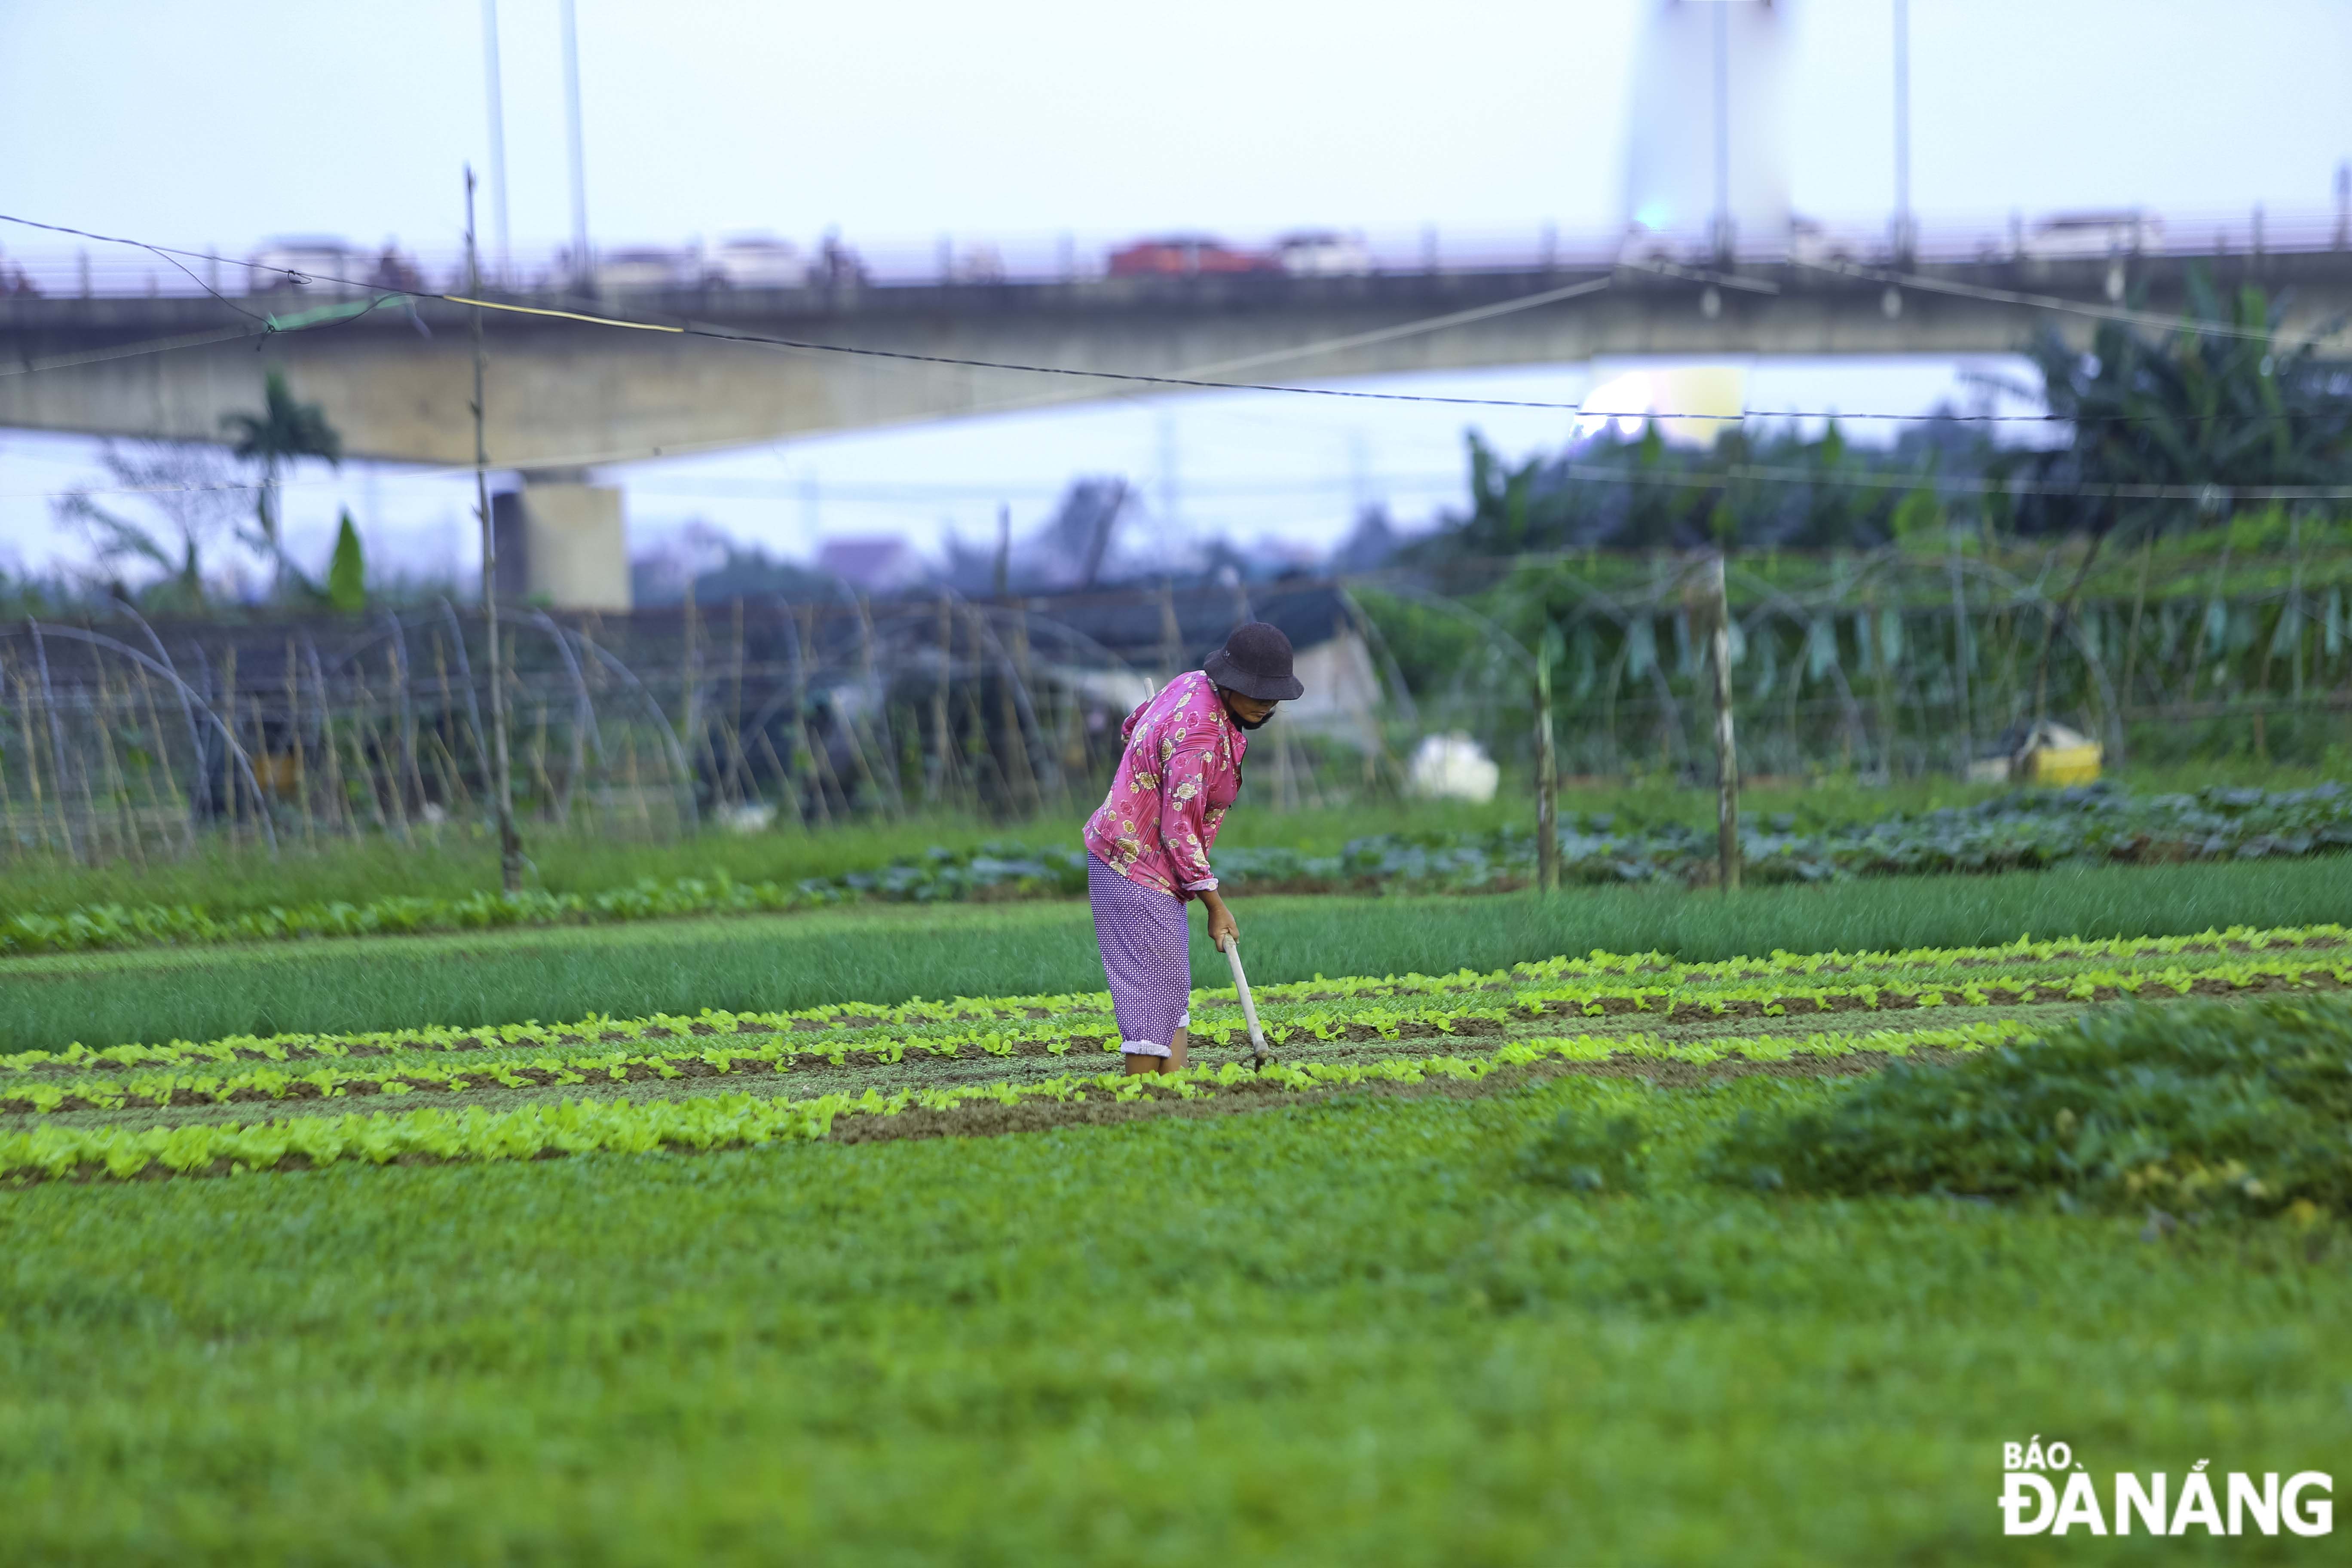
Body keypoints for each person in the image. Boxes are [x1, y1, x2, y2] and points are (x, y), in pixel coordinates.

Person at [1083, 621, 1305, 1075]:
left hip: (1146, 868)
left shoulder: (1190, 683)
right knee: (1150, 993)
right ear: (1229, 683)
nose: (1267, 707)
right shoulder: (1200, 735)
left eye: (1273, 698)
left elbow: (1134, 725)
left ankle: (1175, 1100)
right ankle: (1142, 1105)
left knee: (1168, 985)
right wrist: (1215, 905)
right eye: (1258, 696)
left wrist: (1147, 759)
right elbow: (1177, 829)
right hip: (1134, 867)